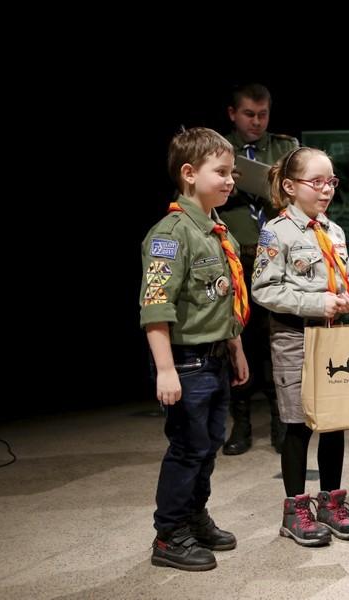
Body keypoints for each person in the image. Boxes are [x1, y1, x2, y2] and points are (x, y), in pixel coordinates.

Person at [139, 127, 250, 571]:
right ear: (189, 174)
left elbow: (222, 297)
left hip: (216, 355)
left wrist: (236, 347)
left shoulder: (217, 230)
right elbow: (155, 306)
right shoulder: (170, 235)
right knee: (187, 447)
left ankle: (193, 516)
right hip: (186, 362)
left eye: (232, 173)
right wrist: (165, 370)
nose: (230, 180)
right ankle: (169, 534)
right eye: (220, 172)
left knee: (207, 447)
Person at [251, 147, 349, 547]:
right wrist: (317, 302)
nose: (326, 189)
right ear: (289, 186)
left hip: (331, 334)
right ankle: (295, 508)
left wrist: (348, 295)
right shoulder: (276, 231)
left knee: (333, 421)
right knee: (297, 424)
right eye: (316, 182)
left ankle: (330, 501)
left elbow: (345, 275)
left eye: (331, 181)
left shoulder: (334, 231)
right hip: (294, 336)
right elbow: (264, 288)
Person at [221, 83, 299, 455]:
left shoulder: (285, 147)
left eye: (263, 114)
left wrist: (273, 187)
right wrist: (227, 188)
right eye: (249, 114)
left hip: (275, 257)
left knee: (277, 340)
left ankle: (281, 421)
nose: (256, 121)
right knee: (238, 341)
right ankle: (241, 424)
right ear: (233, 114)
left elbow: (305, 193)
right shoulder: (216, 149)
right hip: (235, 257)